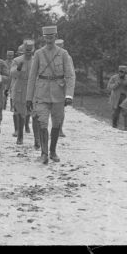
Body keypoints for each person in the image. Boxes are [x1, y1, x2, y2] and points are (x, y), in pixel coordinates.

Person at [26, 26, 75, 164]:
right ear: (43, 37)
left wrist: (69, 95)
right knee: (42, 122)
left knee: (57, 123)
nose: (49, 38)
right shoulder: (38, 54)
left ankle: (53, 151)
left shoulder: (63, 54)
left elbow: (70, 76)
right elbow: (32, 76)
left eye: (51, 36)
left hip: (58, 93)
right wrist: (29, 97)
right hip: (41, 93)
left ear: (56, 36)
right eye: (46, 36)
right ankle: (44, 153)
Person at [10, 40, 35, 146]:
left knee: (35, 114)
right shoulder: (17, 60)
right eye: (26, 50)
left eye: (30, 50)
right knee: (20, 114)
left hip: (33, 89)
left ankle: (37, 139)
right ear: (23, 50)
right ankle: (20, 136)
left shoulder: (36, 60)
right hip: (19, 89)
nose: (28, 52)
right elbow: (12, 73)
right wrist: (18, 69)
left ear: (33, 50)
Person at [107, 65, 127, 130]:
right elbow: (109, 87)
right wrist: (116, 84)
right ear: (118, 71)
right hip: (116, 98)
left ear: (126, 72)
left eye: (123, 72)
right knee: (115, 113)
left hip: (125, 98)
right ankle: (114, 126)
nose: (122, 73)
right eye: (120, 71)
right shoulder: (114, 78)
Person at [54, 38, 70, 137]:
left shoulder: (67, 57)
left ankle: (59, 129)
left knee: (60, 109)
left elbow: (70, 74)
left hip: (61, 86)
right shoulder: (48, 55)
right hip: (49, 85)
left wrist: (68, 92)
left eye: (60, 46)